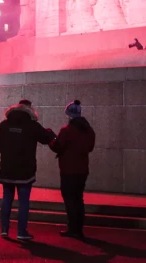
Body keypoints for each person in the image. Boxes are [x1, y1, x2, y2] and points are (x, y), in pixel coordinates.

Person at [0, 99, 56, 241]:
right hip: (25, 170)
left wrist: (6, 152)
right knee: (23, 202)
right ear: (29, 110)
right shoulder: (32, 125)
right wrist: (51, 133)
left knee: (7, 198)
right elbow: (46, 139)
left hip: (7, 168)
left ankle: (4, 229)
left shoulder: (4, 125)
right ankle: (21, 232)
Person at [49, 100, 96, 240]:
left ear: (69, 115)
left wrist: (52, 140)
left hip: (68, 170)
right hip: (82, 169)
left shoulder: (67, 130)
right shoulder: (89, 131)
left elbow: (57, 146)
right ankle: (79, 229)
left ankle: (72, 228)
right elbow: (89, 148)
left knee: (69, 199)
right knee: (78, 199)